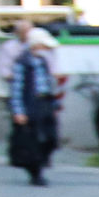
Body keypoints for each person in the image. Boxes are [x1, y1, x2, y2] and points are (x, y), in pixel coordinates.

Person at [5, 28, 60, 186]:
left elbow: (49, 85)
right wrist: (18, 111)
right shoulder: (22, 63)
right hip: (31, 103)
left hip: (45, 102)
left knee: (51, 137)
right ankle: (36, 171)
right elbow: (16, 89)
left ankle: (42, 161)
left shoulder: (43, 61)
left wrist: (54, 105)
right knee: (32, 139)